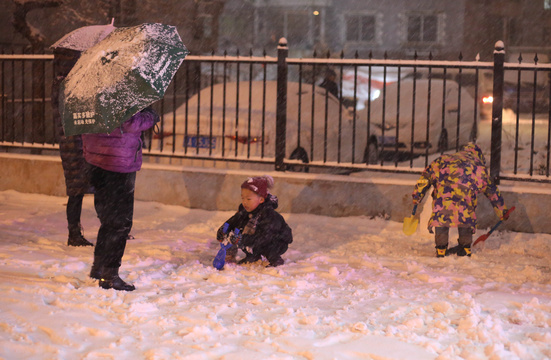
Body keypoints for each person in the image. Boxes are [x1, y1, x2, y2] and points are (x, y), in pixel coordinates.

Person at [84, 107, 159, 291]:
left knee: (109, 220)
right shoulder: (119, 94)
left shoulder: (90, 93)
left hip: (95, 160)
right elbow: (131, 123)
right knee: (120, 223)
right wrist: (151, 116)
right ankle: (109, 274)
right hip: (118, 163)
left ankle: (99, 267)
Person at [411, 143, 509, 258]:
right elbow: (492, 191)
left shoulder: (442, 160)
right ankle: (465, 247)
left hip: (443, 202)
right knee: (465, 221)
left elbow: (425, 178)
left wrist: (417, 195)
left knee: (442, 220)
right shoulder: (478, 167)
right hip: (465, 204)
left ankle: (441, 249)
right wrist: (502, 211)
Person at [52, 48, 95, 247]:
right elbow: (71, 115)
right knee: (78, 189)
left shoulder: (62, 82)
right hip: (75, 142)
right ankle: (74, 233)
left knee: (80, 188)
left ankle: (77, 231)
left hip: (76, 141)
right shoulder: (67, 84)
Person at [216, 175, 293, 267]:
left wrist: (241, 239)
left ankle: (275, 260)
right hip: (256, 239)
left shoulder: (268, 214)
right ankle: (251, 256)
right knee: (236, 233)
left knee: (267, 247)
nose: (244, 202)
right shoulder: (244, 211)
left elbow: (264, 237)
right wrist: (223, 231)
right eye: (243, 198)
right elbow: (233, 221)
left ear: (261, 199)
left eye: (248, 199)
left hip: (276, 241)